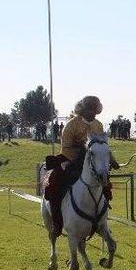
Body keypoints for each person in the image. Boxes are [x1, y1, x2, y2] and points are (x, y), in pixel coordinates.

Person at [44, 96, 118, 236]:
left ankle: (101, 221)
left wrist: (112, 160)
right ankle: (57, 224)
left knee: (106, 184)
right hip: (70, 159)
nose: (93, 114)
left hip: (92, 161)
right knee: (53, 184)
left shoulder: (98, 125)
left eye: (95, 111)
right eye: (91, 110)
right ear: (83, 110)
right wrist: (82, 157)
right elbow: (65, 147)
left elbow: (102, 146)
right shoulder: (71, 125)